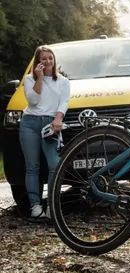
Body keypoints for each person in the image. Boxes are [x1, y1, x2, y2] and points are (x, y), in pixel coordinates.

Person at [20, 45, 70, 218]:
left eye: (50, 58)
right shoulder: (29, 78)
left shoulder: (63, 81)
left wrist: (58, 119)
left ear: (54, 60)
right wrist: (39, 78)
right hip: (30, 123)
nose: (48, 61)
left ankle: (51, 205)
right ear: (38, 61)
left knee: (54, 165)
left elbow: (64, 102)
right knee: (32, 166)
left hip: (50, 124)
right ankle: (35, 206)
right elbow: (33, 101)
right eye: (44, 58)